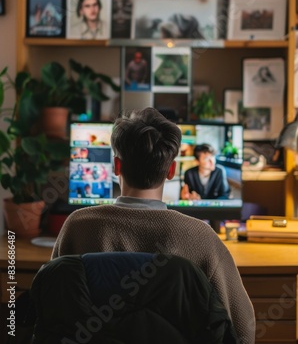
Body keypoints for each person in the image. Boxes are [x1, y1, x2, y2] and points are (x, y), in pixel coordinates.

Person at [52, 107, 255, 343]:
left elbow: (49, 309)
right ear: (171, 170)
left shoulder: (77, 227)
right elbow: (243, 328)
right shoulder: (201, 238)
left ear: (117, 166)